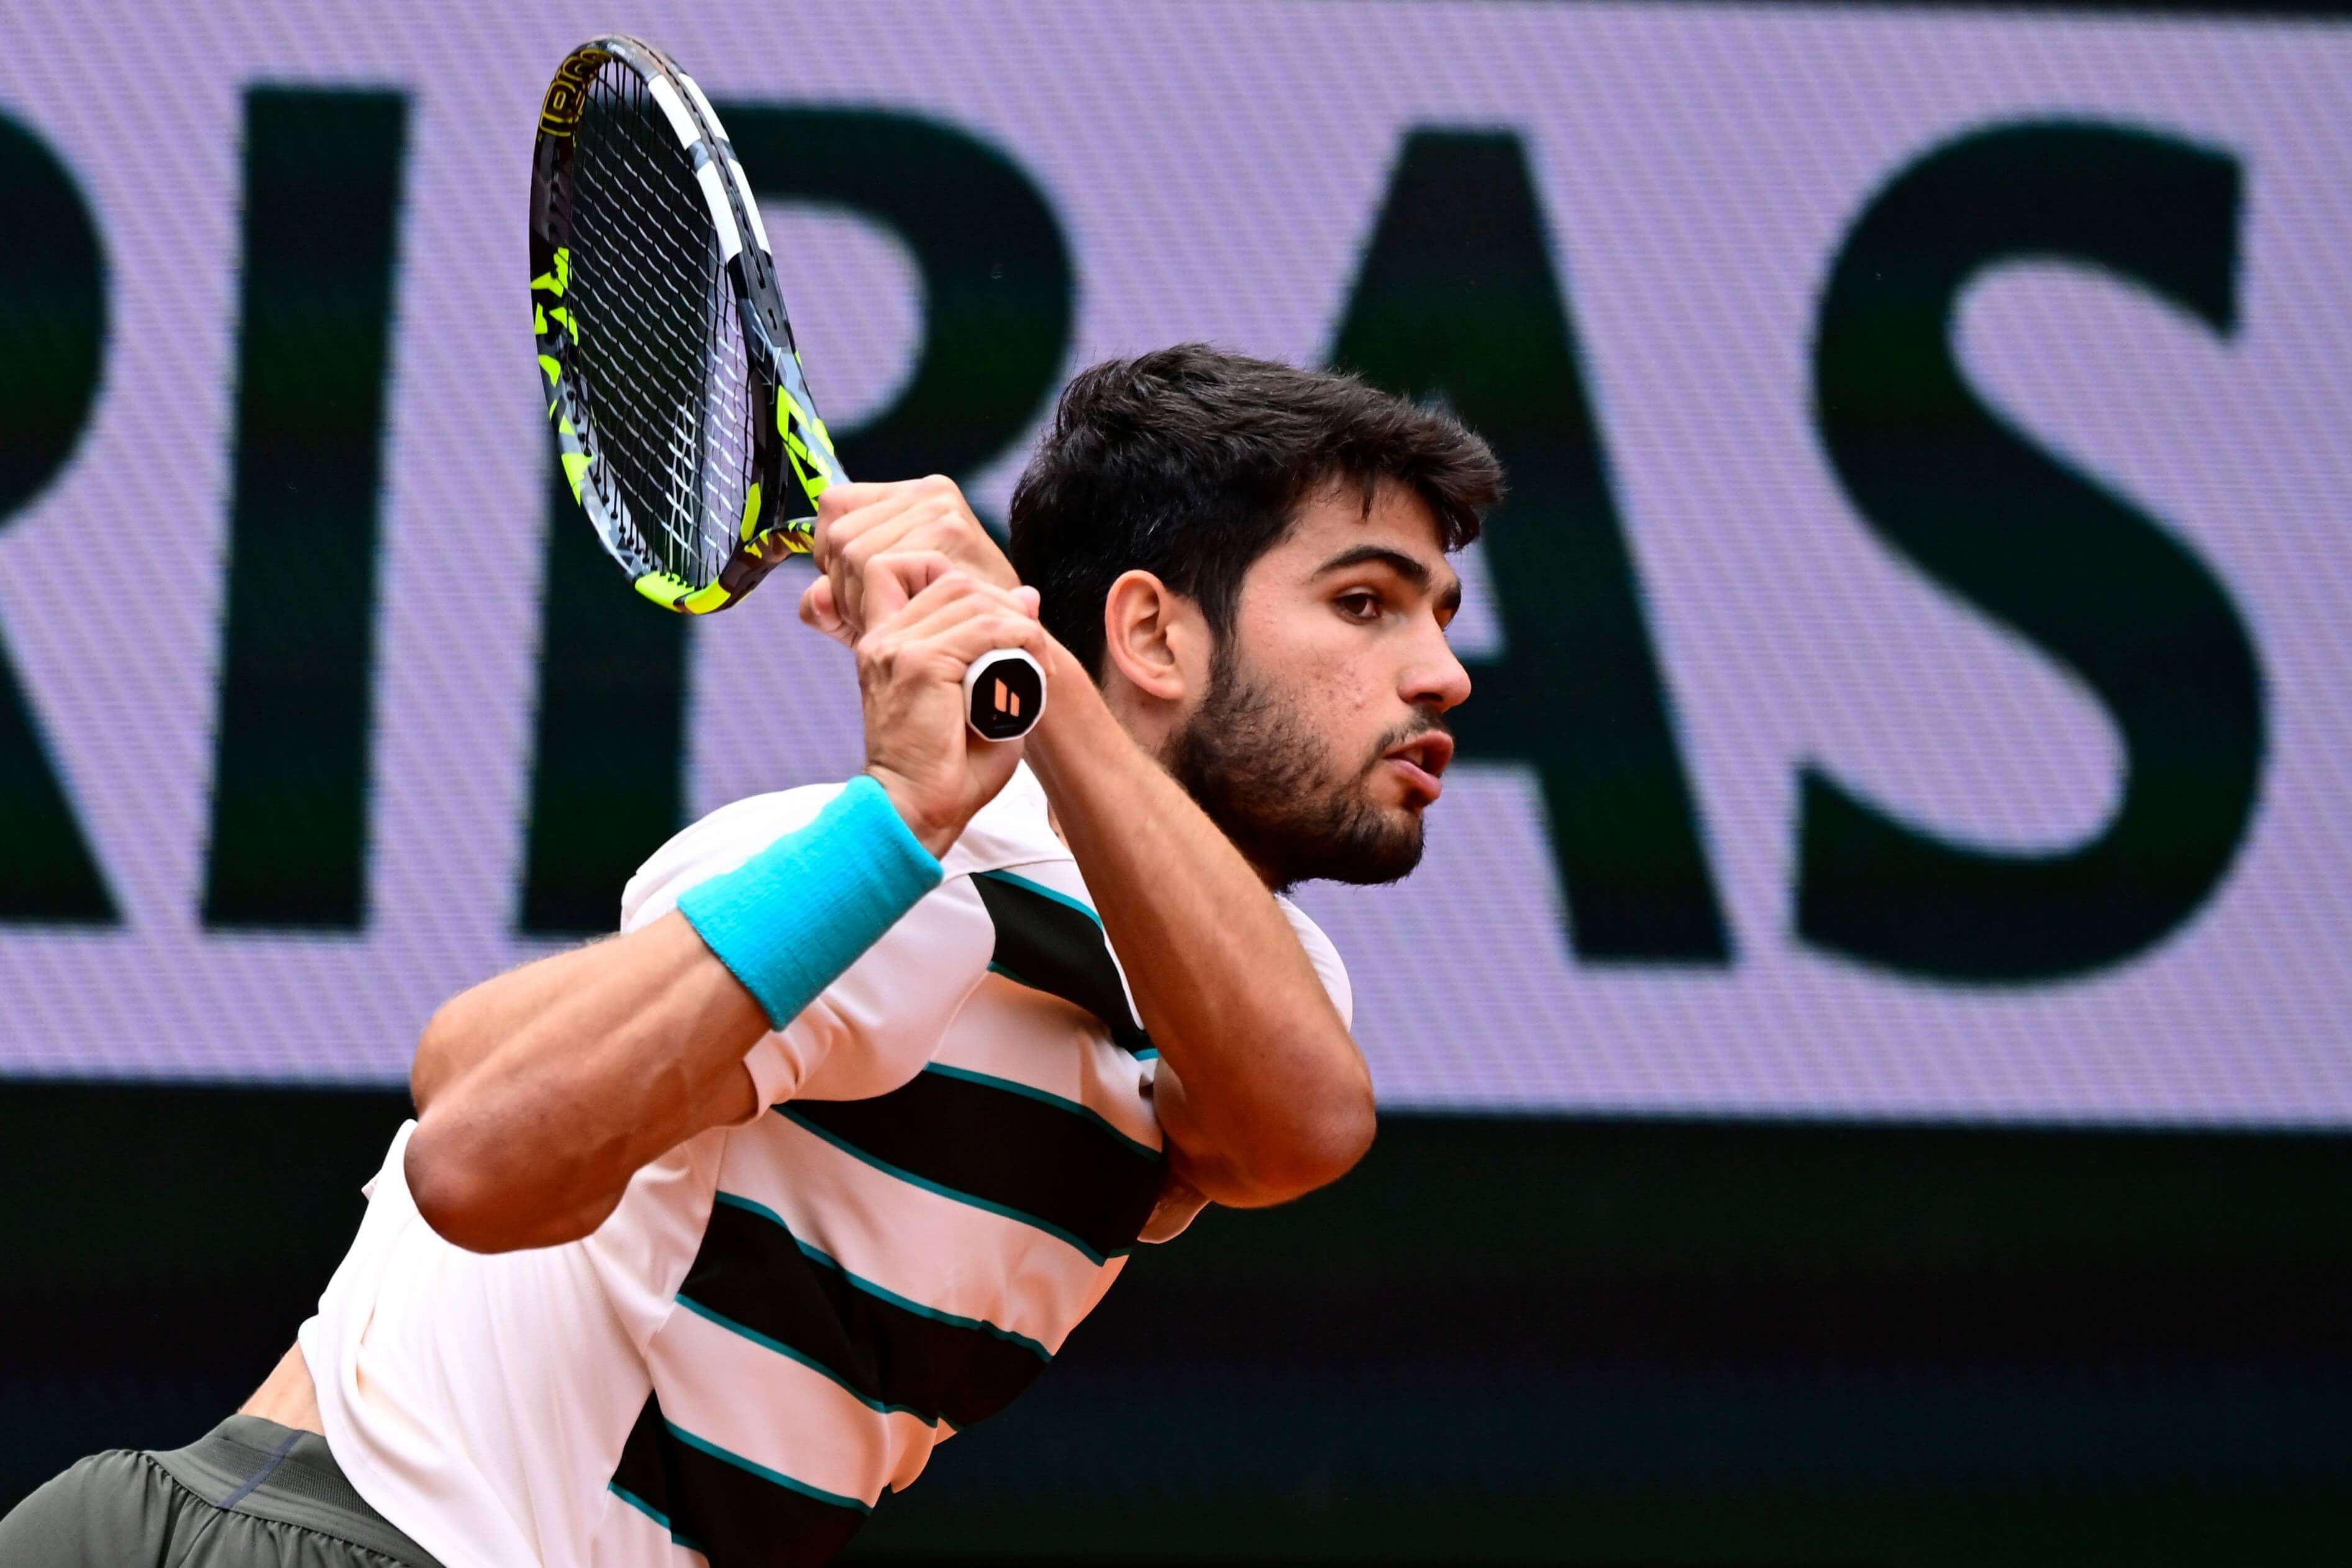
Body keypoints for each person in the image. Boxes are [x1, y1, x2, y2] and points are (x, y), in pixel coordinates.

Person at [0, 344, 1502, 1567]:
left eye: (1439, 613)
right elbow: (470, 1144)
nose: (1441, 669)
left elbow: (1299, 1121)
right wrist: (906, 811)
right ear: (1154, 636)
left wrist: (1034, 684)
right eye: (1363, 603)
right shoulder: (905, 882)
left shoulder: (1245, 984)